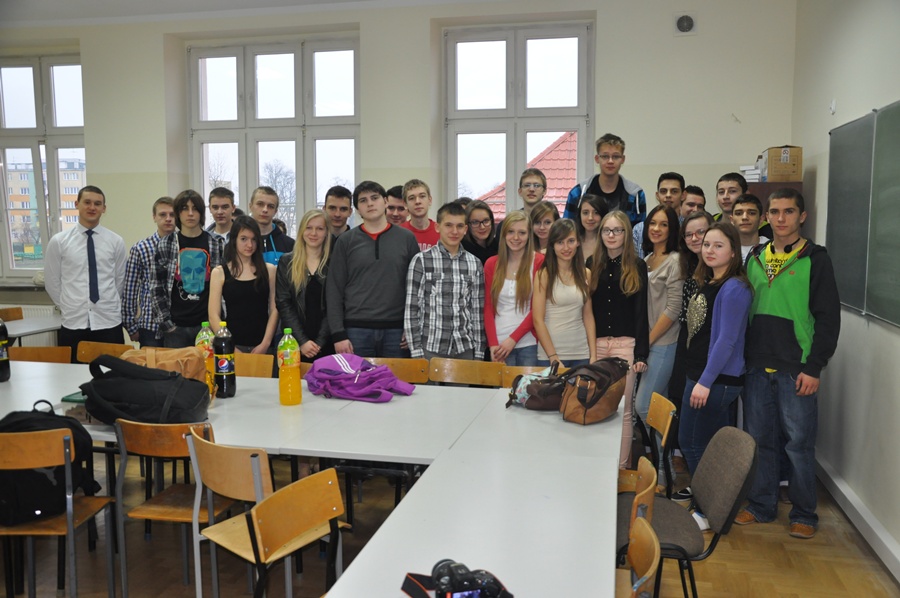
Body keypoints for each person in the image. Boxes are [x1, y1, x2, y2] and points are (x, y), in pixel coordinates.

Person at [735, 189, 841, 540]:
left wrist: (814, 367)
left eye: (789, 211)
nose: (781, 218)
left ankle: (804, 513)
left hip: (797, 369)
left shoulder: (815, 259)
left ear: (802, 216)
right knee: (760, 440)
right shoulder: (755, 257)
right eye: (775, 212)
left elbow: (828, 319)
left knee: (798, 445)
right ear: (767, 216)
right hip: (756, 366)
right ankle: (761, 505)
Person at [677, 222, 752, 495]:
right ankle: (709, 496)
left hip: (715, 380)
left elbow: (727, 340)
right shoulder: (710, 281)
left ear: (733, 252)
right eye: (707, 244)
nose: (709, 250)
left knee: (692, 443)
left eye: (718, 246)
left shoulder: (735, 288)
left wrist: (705, 381)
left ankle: (706, 503)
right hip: (701, 376)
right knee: (709, 445)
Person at [326, 181, 419, 358]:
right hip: (355, 331)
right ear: (357, 210)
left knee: (397, 377)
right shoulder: (346, 241)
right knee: (357, 377)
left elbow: (417, 289)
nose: (370, 203)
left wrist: (412, 327)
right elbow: (334, 289)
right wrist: (338, 333)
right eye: (363, 200)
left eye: (374, 198)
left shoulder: (407, 238)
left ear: (385, 202)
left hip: (397, 331)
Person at [589, 211, 649, 468]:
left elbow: (641, 312)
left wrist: (641, 354)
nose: (611, 235)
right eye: (607, 230)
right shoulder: (591, 264)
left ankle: (621, 468)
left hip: (626, 346)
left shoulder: (637, 265)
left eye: (617, 230)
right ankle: (597, 463)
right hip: (597, 345)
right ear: (600, 234)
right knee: (595, 405)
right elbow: (587, 311)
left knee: (624, 410)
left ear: (626, 233)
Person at [45, 185, 127, 362]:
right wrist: (68, 305)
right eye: (87, 202)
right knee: (73, 374)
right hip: (74, 322)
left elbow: (119, 280)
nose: (92, 207)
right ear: (77, 204)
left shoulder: (115, 241)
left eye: (97, 204)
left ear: (104, 208)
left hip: (108, 321)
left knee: (114, 374)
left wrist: (107, 301)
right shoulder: (59, 242)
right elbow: (52, 282)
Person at [633, 205, 684, 470]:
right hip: (648, 343)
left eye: (664, 224)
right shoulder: (647, 259)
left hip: (663, 344)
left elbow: (673, 309)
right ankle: (663, 473)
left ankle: (664, 465)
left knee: (644, 407)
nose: (656, 229)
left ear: (672, 229)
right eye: (653, 223)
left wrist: (647, 341)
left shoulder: (675, 261)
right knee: (659, 408)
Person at [404, 202, 485, 360]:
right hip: (430, 348)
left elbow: (477, 312)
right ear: (437, 227)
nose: (454, 231)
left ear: (465, 229)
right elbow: (412, 310)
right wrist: (416, 352)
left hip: (464, 348)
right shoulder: (421, 260)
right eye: (448, 225)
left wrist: (479, 353)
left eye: (459, 226)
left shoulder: (475, 263)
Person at [152, 189, 225, 348]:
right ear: (178, 213)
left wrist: (219, 322)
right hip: (176, 328)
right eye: (185, 208)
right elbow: (156, 288)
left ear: (201, 213)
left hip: (208, 326)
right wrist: (167, 324)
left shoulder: (217, 243)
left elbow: (225, 287)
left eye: (195, 209)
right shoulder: (166, 244)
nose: (190, 214)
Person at [667, 212, 716, 445]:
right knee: (679, 400)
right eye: (688, 234)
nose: (694, 238)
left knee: (702, 425)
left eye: (700, 232)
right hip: (686, 343)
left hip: (708, 351)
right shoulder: (688, 264)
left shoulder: (718, 271)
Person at [207, 216, 278, 353]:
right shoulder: (219, 273)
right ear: (234, 240)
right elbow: (213, 315)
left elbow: (274, 310)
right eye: (244, 239)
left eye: (254, 239)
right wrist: (229, 345)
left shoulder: (269, 270)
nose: (250, 245)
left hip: (264, 344)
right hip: (232, 343)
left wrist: (265, 343)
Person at [532, 219, 596, 368]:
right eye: (560, 242)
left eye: (571, 241)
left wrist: (593, 354)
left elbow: (588, 316)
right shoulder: (544, 275)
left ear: (578, 242)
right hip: (550, 356)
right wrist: (553, 357)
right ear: (552, 245)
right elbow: (537, 320)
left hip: (581, 354)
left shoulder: (585, 273)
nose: (566, 248)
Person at [484, 211, 545, 366]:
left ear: (529, 235)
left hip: (529, 343)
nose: (516, 238)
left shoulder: (539, 261)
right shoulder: (491, 264)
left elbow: (538, 308)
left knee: (529, 383)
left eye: (522, 233)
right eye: (511, 232)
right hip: (498, 345)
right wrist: (492, 345)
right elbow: (488, 307)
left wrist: (513, 340)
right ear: (503, 234)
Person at [276, 209, 333, 363]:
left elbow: (335, 305)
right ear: (301, 230)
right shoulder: (287, 262)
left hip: (327, 341)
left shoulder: (334, 262)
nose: (313, 233)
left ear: (327, 233)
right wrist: (302, 341)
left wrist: (319, 342)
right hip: (294, 341)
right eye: (309, 228)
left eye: (319, 228)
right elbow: (283, 303)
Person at [122, 196, 176, 348]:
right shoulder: (141, 248)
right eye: (162, 214)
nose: (168, 219)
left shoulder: (184, 247)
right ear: (154, 217)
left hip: (180, 326)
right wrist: (131, 325)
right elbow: (130, 289)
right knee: (150, 364)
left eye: (172, 214)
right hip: (150, 327)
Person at [564, 133, 646, 225]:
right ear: (597, 159)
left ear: (623, 159)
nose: (610, 161)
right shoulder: (578, 193)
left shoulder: (636, 195)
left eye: (616, 157)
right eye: (605, 156)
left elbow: (640, 231)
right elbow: (566, 229)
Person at [633, 172, 686, 258]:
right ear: (657, 195)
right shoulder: (639, 229)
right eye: (663, 191)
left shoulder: (687, 227)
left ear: (683, 195)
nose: (668, 195)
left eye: (674, 191)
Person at [248, 186, 295, 265]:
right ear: (250, 206)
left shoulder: (290, 245)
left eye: (270, 206)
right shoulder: (239, 243)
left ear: (275, 211)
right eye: (260, 204)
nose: (265, 210)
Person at [401, 178, 440, 251]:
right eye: (412, 198)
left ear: (430, 200)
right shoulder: (399, 233)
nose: (417, 201)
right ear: (405, 204)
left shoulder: (441, 231)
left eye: (422, 196)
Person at [731, 194, 770, 262]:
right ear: (732, 220)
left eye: (751, 213)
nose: (745, 217)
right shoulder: (725, 248)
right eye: (739, 213)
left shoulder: (771, 247)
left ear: (761, 219)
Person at [461, 200, 499, 265]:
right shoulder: (461, 249)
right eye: (475, 222)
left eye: (486, 221)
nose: (482, 227)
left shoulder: (498, 246)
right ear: (467, 225)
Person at [576, 194, 608, 266]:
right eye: (585, 213)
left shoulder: (609, 243)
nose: (590, 218)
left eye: (596, 213)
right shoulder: (572, 241)